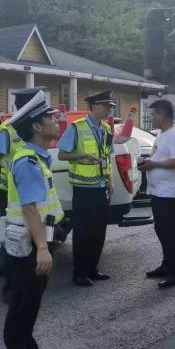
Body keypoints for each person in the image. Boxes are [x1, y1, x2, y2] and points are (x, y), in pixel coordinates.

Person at [2, 91, 66, 349]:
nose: (56, 121)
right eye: (51, 118)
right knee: (21, 310)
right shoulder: (27, 161)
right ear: (37, 127)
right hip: (28, 246)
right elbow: (29, 208)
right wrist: (42, 248)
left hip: (36, 241)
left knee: (29, 306)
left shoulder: (37, 157)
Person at [0, 87, 47, 301]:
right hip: (8, 191)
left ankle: (23, 279)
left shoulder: (33, 129)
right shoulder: (6, 130)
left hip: (27, 190)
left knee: (28, 237)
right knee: (13, 238)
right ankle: (11, 285)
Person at [57, 90, 115, 287]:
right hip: (83, 188)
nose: (108, 110)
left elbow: (107, 157)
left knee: (99, 231)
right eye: (106, 106)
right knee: (83, 232)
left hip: (101, 187)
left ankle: (93, 269)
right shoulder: (77, 127)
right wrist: (81, 156)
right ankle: (80, 273)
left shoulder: (106, 129)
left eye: (110, 107)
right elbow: (62, 154)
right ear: (95, 106)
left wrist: (110, 179)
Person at [140, 99, 175, 289]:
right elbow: (162, 157)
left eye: (152, 114)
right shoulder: (162, 134)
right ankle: (167, 265)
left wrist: (154, 164)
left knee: (170, 232)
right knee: (161, 229)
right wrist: (148, 161)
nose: (151, 118)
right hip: (158, 191)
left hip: (170, 193)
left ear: (161, 114)